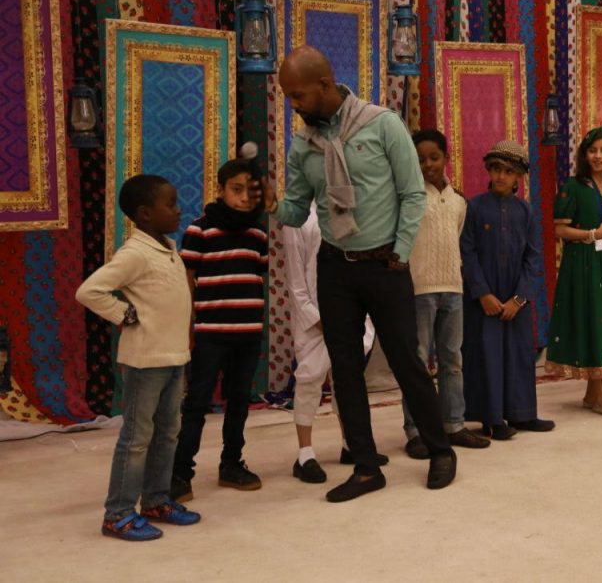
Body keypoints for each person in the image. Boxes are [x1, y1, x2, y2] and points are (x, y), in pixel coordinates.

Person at [264, 45, 455, 502]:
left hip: (387, 264)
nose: (293, 105)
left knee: (408, 363)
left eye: (298, 95)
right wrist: (272, 204)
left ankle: (440, 450)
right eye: (288, 97)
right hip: (335, 267)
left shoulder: (382, 124)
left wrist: (401, 253)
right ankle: (367, 468)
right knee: (346, 371)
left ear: (325, 85)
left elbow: (413, 194)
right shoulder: (303, 144)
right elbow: (296, 210)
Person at [76, 175, 200, 540]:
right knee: (136, 438)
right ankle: (117, 514)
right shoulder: (135, 253)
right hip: (145, 362)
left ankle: (156, 501)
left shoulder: (167, 248)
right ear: (145, 213)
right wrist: (123, 314)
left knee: (167, 433)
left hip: (173, 357)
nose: (178, 210)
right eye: (170, 204)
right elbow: (89, 291)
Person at [172, 159, 269, 501]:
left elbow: (256, 276)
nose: (244, 198)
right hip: (210, 333)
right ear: (220, 190)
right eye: (236, 190)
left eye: (250, 191)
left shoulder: (258, 233)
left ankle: (231, 464)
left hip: (248, 334)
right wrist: (188, 325)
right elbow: (187, 279)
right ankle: (179, 473)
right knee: (196, 403)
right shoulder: (200, 230)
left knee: (240, 399)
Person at [282, 204, 389, 483]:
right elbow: (296, 282)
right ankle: (305, 454)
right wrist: (319, 319)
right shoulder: (298, 217)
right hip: (314, 317)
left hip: (350, 312)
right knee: (310, 379)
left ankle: (350, 444)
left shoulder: (349, 207)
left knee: (348, 379)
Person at [404, 130, 490, 458]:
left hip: (453, 289)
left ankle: (454, 424)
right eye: (420, 159)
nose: (428, 164)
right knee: (417, 363)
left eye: (434, 157)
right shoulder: (409, 197)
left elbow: (456, 239)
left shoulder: (459, 201)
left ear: (446, 158)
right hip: (419, 290)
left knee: (452, 360)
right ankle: (416, 431)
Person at [461, 140, 553, 438]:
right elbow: (467, 254)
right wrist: (483, 294)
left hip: (516, 300)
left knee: (519, 354)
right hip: (484, 300)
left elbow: (533, 257)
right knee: (486, 354)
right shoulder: (474, 208)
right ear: (489, 171)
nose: (501, 176)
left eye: (508, 171)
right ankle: (492, 420)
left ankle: (522, 415)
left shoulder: (525, 211)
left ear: (519, 177)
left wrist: (519, 298)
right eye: (496, 169)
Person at [546, 126, 602, 417]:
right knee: (593, 319)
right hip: (583, 263)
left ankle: (592, 393)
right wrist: (592, 235)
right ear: (584, 155)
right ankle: (601, 396)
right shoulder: (572, 188)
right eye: (593, 151)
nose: (598, 156)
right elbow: (560, 230)